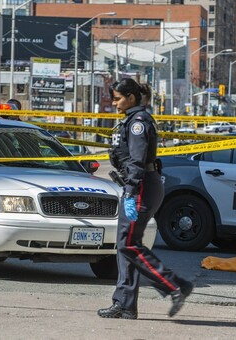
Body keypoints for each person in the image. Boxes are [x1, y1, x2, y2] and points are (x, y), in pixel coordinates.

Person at [98, 78, 193, 320]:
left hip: (140, 187)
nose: (114, 103)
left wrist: (130, 191)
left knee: (128, 244)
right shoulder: (131, 120)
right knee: (124, 245)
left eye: (118, 98)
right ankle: (125, 304)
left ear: (131, 97)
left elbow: (137, 161)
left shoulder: (138, 122)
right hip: (138, 185)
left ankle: (174, 285)